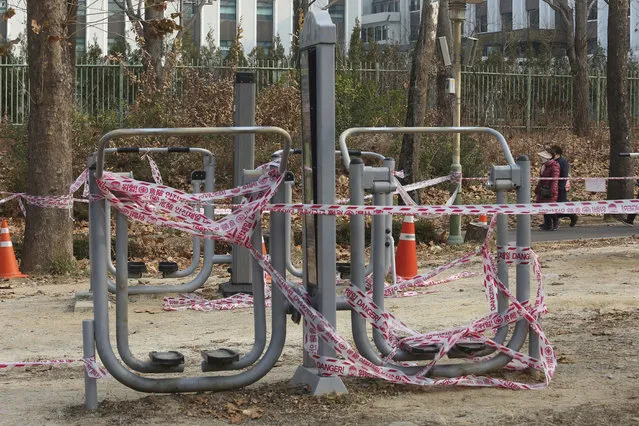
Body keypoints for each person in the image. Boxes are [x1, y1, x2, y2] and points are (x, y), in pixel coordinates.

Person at [549, 145, 578, 227]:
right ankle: (553, 221)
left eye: (552, 153)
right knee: (551, 206)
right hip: (552, 187)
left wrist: (560, 187)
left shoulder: (563, 162)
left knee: (561, 206)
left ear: (557, 154)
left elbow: (564, 175)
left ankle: (572, 215)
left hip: (560, 187)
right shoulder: (551, 161)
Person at [535, 149, 560, 231]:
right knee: (544, 208)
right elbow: (542, 179)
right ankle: (547, 224)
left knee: (550, 209)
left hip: (549, 191)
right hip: (543, 190)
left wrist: (552, 191)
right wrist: (537, 189)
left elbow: (555, 180)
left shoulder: (554, 166)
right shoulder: (544, 166)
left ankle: (556, 221)